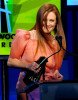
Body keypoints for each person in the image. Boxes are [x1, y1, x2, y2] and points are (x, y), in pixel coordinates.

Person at [7, 3, 66, 100]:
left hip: (48, 90)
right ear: (39, 19)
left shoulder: (56, 42)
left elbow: (55, 70)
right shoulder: (24, 36)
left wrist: (57, 75)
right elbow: (10, 61)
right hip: (28, 89)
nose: (47, 24)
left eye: (51, 20)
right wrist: (28, 65)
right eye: (44, 19)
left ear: (56, 23)